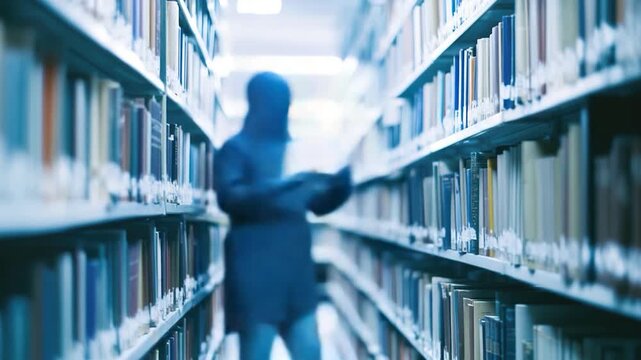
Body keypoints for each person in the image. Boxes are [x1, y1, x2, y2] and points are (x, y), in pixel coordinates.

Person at [214, 72, 352, 360]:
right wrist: (288, 182)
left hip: (296, 272)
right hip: (255, 272)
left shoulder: (295, 148)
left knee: (310, 351)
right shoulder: (235, 149)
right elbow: (231, 199)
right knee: (256, 353)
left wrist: (341, 187)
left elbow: (314, 205)